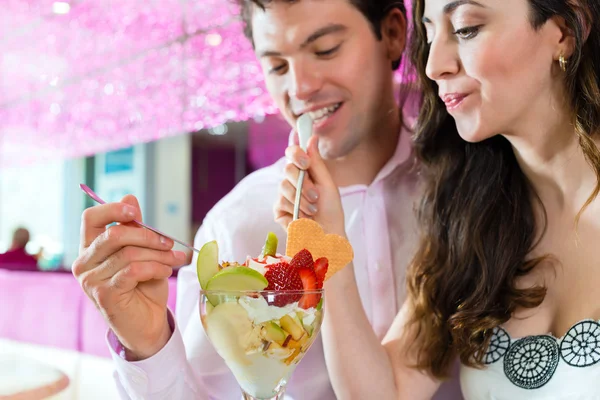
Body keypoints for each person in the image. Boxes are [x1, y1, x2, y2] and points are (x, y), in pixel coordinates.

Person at [71, 0, 461, 399]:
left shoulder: (469, 195)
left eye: (325, 49)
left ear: (394, 34)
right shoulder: (236, 222)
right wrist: (147, 345)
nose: (300, 87)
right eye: (276, 66)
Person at [277, 0, 600, 398]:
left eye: (465, 29)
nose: (433, 66)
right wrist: (326, 244)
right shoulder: (475, 218)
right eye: (429, 34)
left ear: (565, 32)